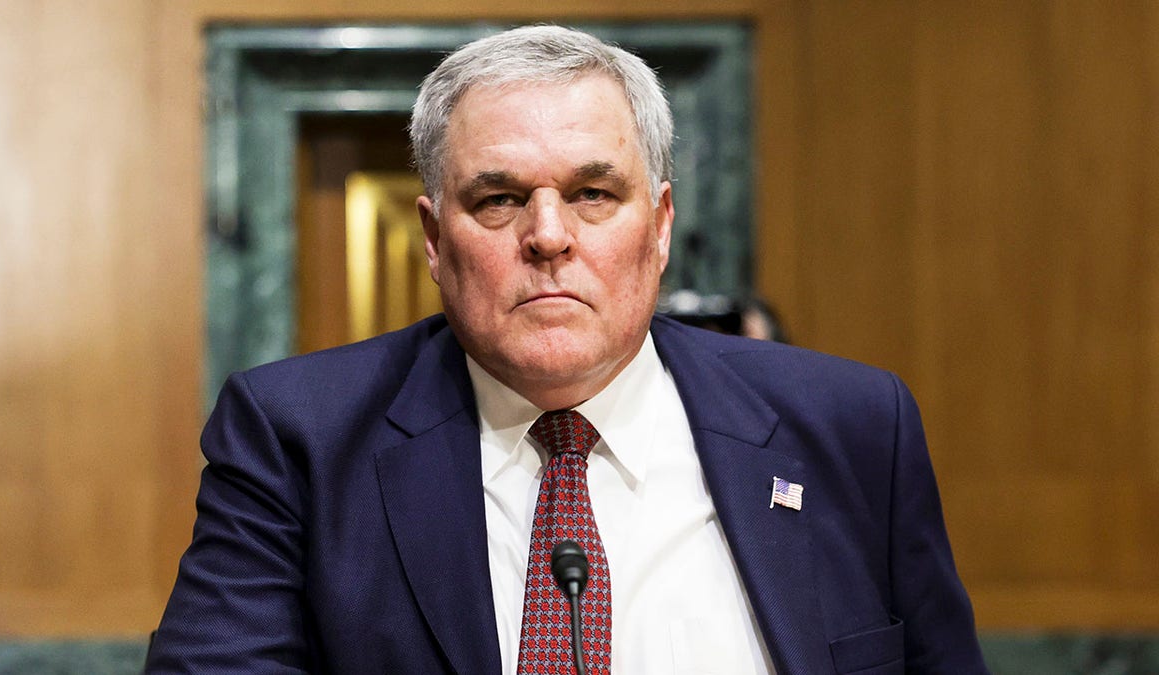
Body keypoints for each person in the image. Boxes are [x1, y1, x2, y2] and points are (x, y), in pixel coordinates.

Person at [147, 25, 987, 674]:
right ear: (435, 241)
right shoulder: (297, 438)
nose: (548, 236)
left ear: (658, 228)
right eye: (501, 198)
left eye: (592, 193)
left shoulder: (852, 427)